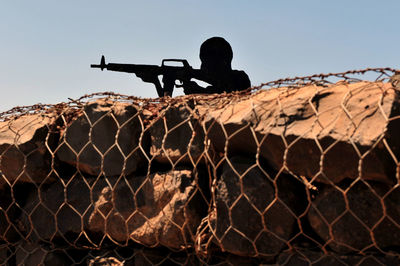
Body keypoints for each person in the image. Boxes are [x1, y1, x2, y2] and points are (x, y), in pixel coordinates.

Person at [182, 37, 251, 94]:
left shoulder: (240, 78)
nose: (202, 66)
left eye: (206, 61)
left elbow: (225, 94)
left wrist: (198, 91)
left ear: (223, 61)